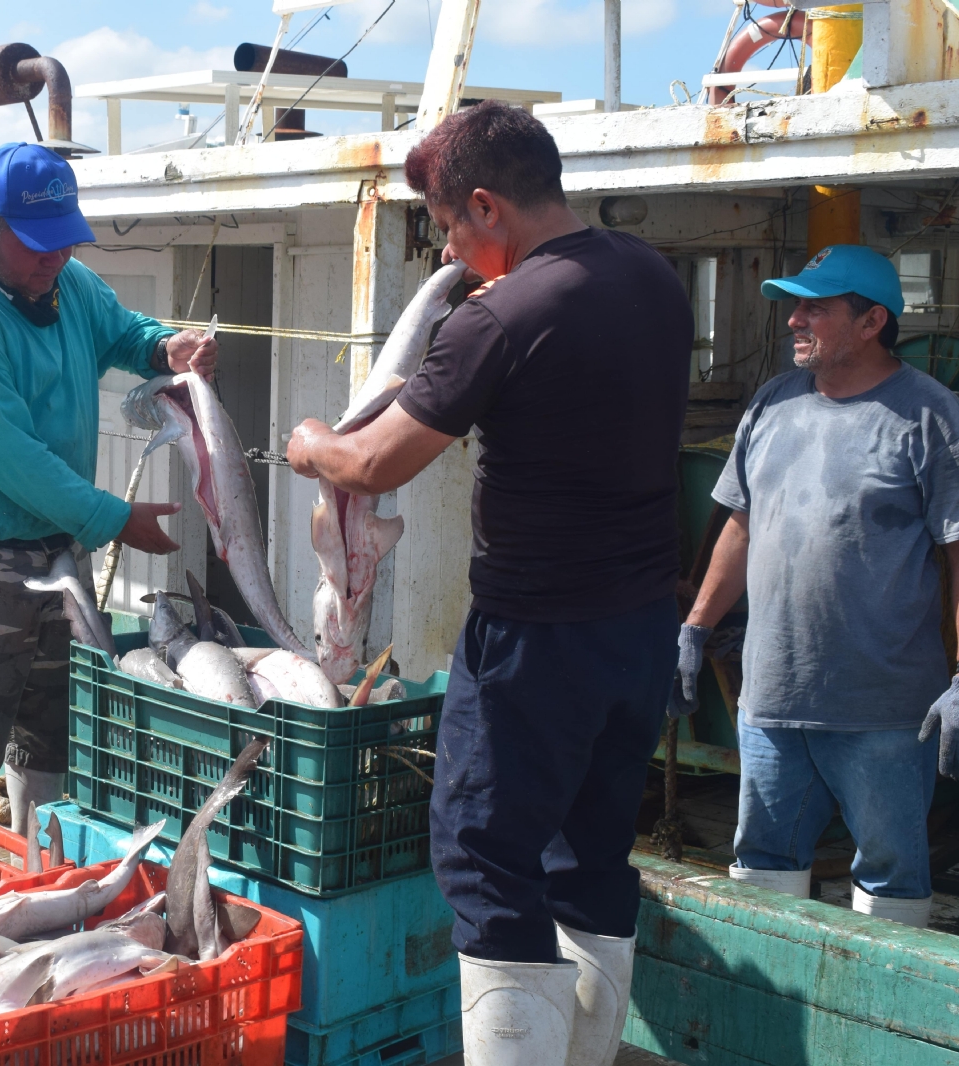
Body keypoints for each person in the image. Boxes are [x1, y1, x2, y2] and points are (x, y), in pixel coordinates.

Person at [286, 101, 691, 1066]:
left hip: (534, 640)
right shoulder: (652, 278)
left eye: (449, 227)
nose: (451, 250)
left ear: (485, 206)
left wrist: (311, 446)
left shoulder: (500, 320)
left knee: (483, 859)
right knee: (589, 854)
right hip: (638, 629)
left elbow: (376, 465)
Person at [0, 142, 217, 825]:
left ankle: (34, 868)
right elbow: (14, 462)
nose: (53, 258)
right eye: (36, 245)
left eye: (63, 241)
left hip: (54, 555)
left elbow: (119, 332)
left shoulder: (68, 283)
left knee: (55, 735)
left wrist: (161, 347)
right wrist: (117, 521)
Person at [674, 245, 959, 929]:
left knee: (890, 882)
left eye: (816, 308)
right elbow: (742, 527)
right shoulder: (774, 403)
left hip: (885, 711)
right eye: (795, 305)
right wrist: (695, 628)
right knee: (762, 866)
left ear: (870, 323)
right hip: (770, 700)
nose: (795, 319)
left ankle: (886, 1028)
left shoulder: (932, 417)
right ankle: (775, 1032)